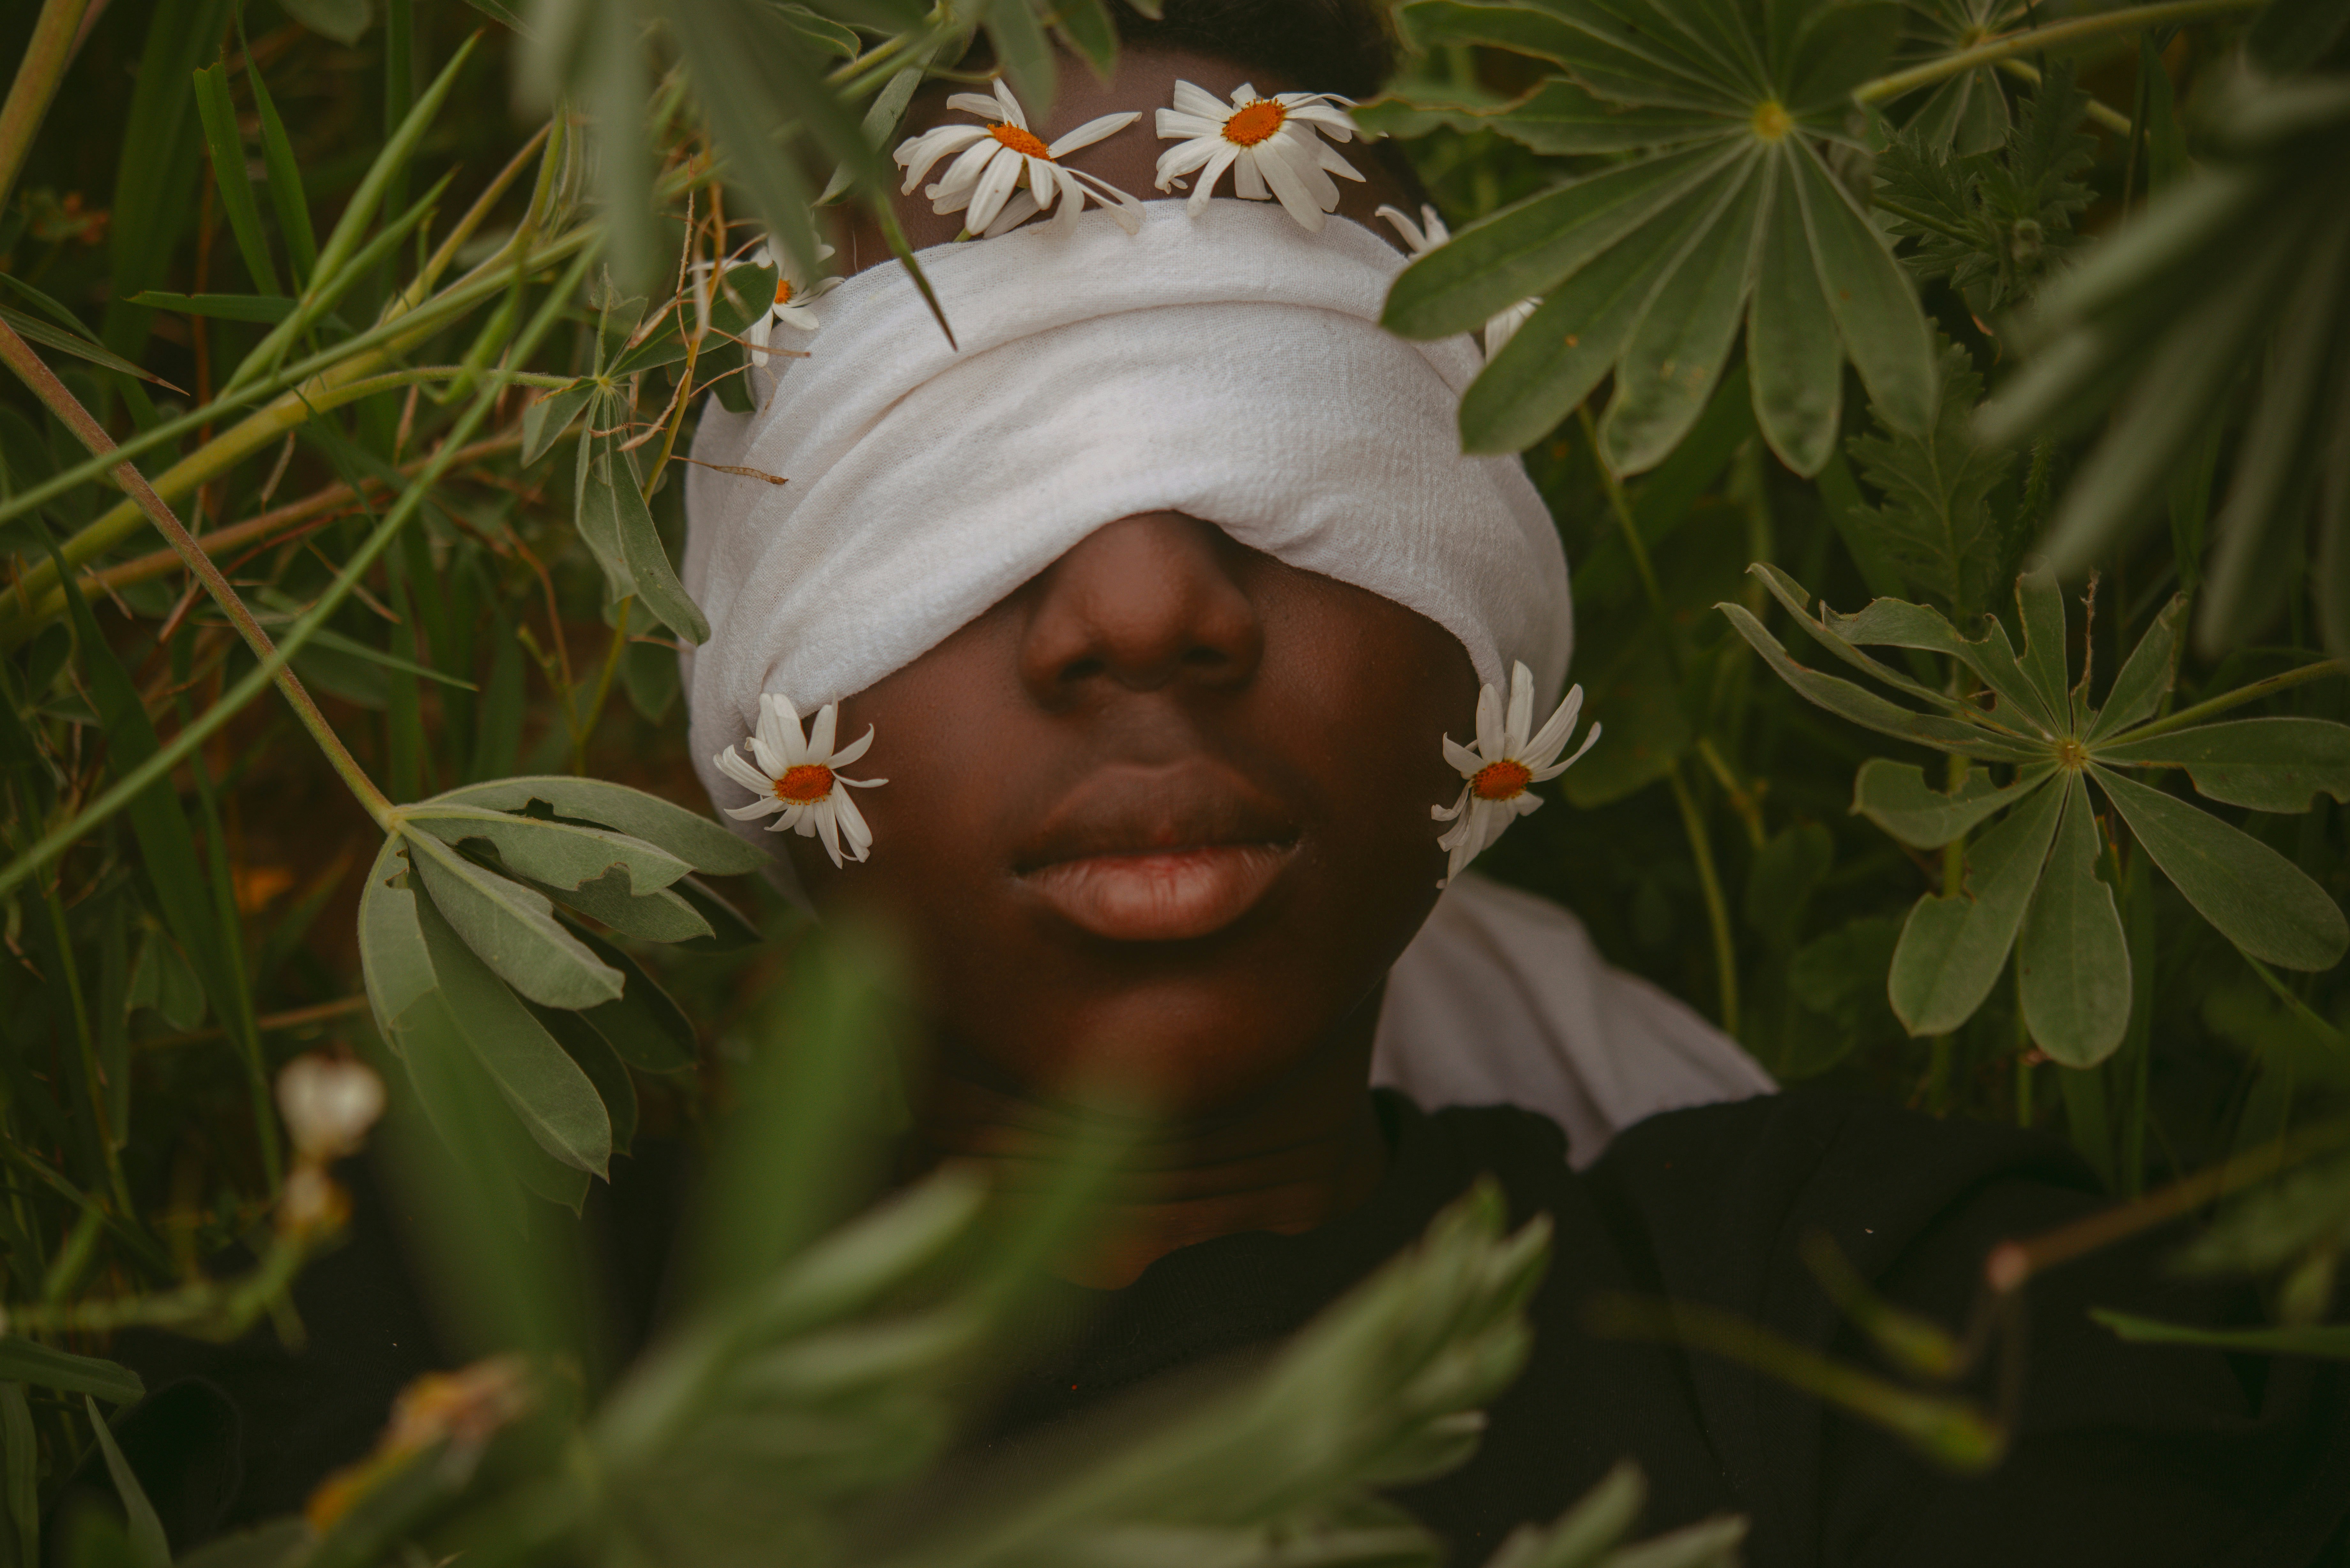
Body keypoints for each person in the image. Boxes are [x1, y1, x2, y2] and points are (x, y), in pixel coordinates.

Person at [99, 4, 2350, 1564]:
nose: (1148, 606)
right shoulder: (470, 1334)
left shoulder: (1903, 1306)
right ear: (772, 688)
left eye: (1279, 447)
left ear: (1481, 653)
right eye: (959, 482)